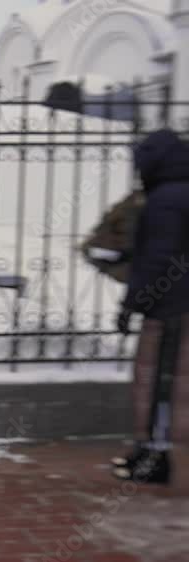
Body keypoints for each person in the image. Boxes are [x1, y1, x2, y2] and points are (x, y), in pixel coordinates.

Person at [113, 128, 189, 486]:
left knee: (160, 382)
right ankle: (146, 452)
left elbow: (158, 258)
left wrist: (132, 303)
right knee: (167, 382)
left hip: (169, 308)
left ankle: (154, 460)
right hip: (176, 303)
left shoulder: (166, 199)